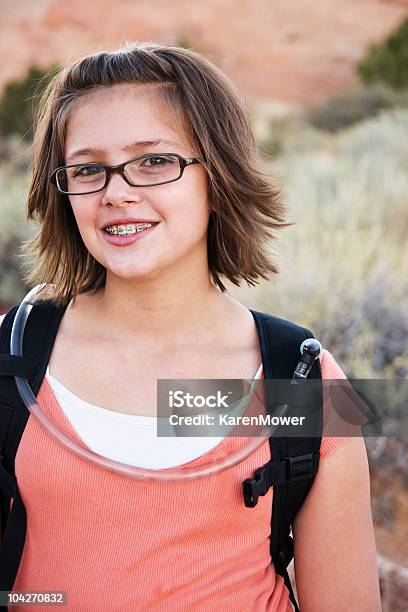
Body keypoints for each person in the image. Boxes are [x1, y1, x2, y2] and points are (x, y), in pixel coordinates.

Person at [0, 42, 381, 611]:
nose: (117, 192)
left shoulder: (302, 382)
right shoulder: (15, 356)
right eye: (87, 169)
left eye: (154, 160)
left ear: (217, 176)